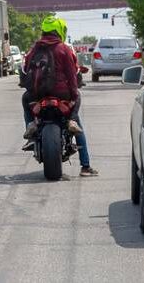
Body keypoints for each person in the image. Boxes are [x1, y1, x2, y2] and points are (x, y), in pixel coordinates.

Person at [21, 16, 98, 177]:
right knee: (77, 121)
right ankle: (85, 166)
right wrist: (73, 95)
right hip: (61, 94)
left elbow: (25, 70)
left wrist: (32, 92)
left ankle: (30, 125)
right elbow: (71, 75)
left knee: (24, 98)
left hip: (38, 94)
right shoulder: (64, 49)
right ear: (60, 31)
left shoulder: (35, 49)